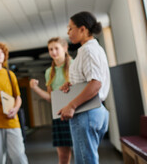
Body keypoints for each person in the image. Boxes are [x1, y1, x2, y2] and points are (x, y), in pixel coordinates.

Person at [58, 11, 110, 164]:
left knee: (86, 161)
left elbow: (96, 83)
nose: (68, 32)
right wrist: (72, 84)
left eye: (70, 28)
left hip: (86, 112)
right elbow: (91, 80)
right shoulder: (93, 49)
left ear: (83, 29)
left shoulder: (88, 50)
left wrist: (71, 105)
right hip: (95, 111)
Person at [29, 37, 73, 164]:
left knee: (84, 152)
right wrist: (35, 88)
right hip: (59, 115)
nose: (53, 52)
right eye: (50, 49)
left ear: (65, 48)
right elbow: (50, 98)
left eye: (56, 48)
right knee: (63, 157)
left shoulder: (75, 64)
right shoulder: (49, 72)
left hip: (76, 112)